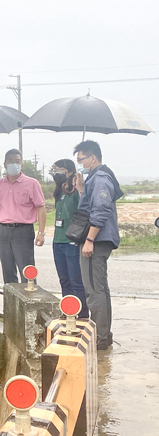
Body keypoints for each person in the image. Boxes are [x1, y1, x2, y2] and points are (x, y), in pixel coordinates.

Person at [74, 140, 122, 350]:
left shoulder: (101, 178)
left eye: (81, 159)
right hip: (97, 239)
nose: (80, 164)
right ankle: (104, 334)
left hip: (97, 240)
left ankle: (100, 339)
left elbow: (101, 211)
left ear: (93, 157)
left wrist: (90, 239)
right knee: (100, 289)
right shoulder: (94, 178)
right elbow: (89, 206)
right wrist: (81, 189)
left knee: (94, 290)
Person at [0, 149, 46, 284]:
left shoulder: (31, 183)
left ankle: (29, 301)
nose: (14, 164)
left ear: (22, 164)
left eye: (17, 161)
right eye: (10, 161)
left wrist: (41, 233)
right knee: (7, 270)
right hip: (3, 231)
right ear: (4, 164)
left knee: (26, 270)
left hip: (23, 230)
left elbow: (41, 207)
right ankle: (11, 302)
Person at [50, 158, 89, 318]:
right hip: (58, 241)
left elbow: (85, 207)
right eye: (55, 170)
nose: (56, 173)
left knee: (76, 281)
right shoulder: (59, 191)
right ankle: (69, 312)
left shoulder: (76, 190)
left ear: (70, 171)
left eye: (59, 169)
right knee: (64, 281)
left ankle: (82, 314)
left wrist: (80, 187)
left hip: (71, 241)